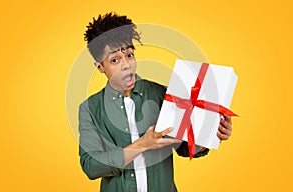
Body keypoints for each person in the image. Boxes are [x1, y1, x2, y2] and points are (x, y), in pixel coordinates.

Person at [78, 12, 233, 192]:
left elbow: (184, 147)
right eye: (114, 60)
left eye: (129, 55)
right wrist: (143, 144)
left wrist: (211, 133)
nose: (126, 64)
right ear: (100, 67)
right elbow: (91, 166)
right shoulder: (90, 109)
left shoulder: (162, 94)